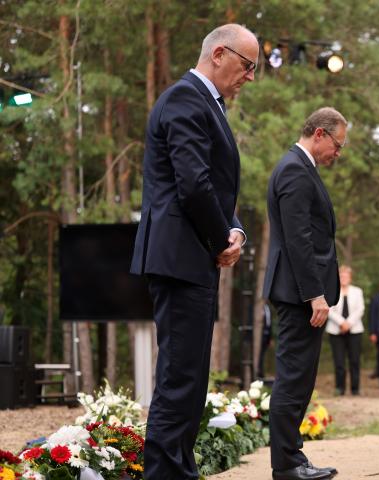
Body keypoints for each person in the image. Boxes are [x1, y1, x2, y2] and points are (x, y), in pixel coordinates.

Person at [129, 24, 257, 480]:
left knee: (190, 380)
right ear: (219, 54)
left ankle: (179, 470)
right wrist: (221, 239)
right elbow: (194, 185)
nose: (251, 76)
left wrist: (235, 229)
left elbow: (214, 188)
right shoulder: (186, 98)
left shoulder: (207, 104)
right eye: (248, 65)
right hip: (181, 260)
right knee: (179, 380)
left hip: (192, 259)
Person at [262, 107, 347, 480]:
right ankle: (286, 464)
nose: (337, 154)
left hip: (299, 292)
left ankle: (292, 458)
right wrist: (315, 295)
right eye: (337, 145)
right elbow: (299, 240)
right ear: (319, 134)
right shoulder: (295, 170)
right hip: (299, 294)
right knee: (293, 378)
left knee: (300, 378)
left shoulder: (300, 167)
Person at [326, 265, 365, 396]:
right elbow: (329, 309)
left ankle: (355, 389)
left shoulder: (357, 291)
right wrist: (341, 323)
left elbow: (360, 309)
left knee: (354, 360)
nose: (344, 278)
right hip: (335, 331)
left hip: (355, 330)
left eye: (346, 275)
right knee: (339, 362)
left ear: (350, 277)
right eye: (341, 275)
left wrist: (348, 323)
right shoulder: (331, 291)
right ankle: (339, 388)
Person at [257, 302, 273, 379]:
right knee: (259, 354)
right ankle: (259, 372)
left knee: (263, 354)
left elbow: (269, 323)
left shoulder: (267, 307)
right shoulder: (258, 309)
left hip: (266, 334)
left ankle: (261, 372)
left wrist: (270, 338)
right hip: (260, 334)